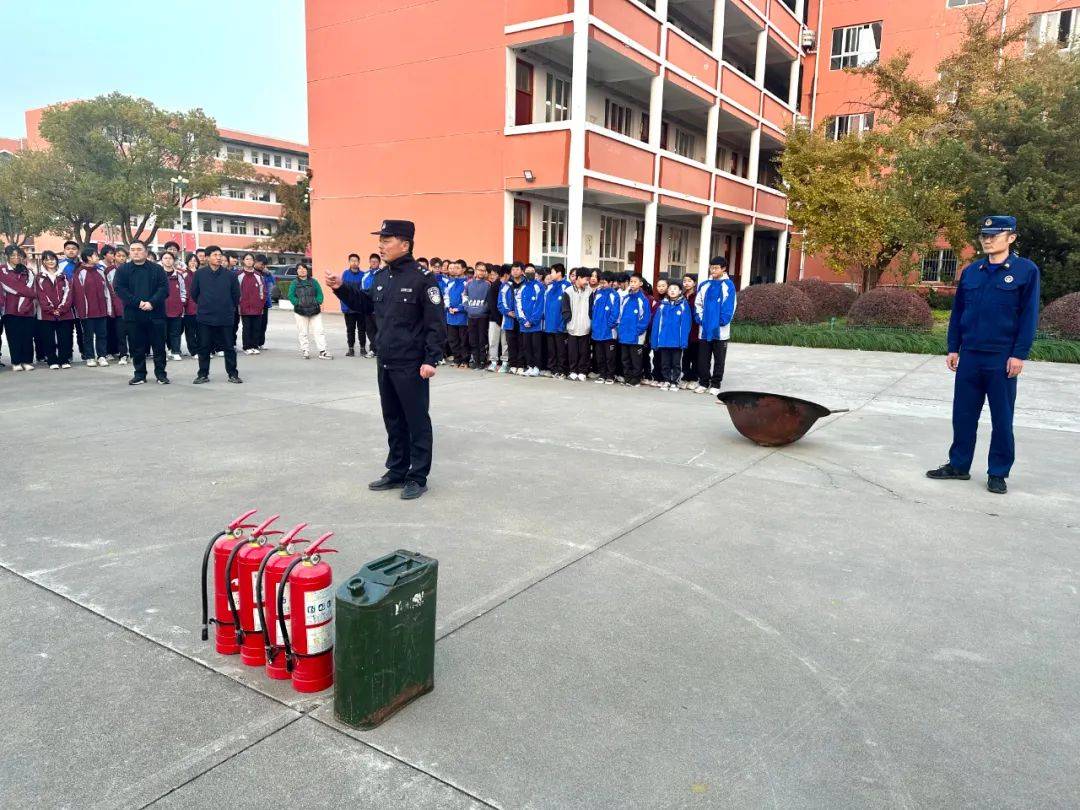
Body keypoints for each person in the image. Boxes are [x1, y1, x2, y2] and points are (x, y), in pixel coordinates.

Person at [325, 219, 445, 500]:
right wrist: (341, 287)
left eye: (387, 239)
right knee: (392, 418)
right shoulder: (381, 277)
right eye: (381, 239)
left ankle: (417, 476)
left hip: (412, 363)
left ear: (405, 244)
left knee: (416, 420)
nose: (381, 244)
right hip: (386, 360)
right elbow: (366, 304)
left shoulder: (422, 278)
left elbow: (436, 323)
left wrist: (432, 359)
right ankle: (397, 470)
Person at [926, 215, 1040, 495]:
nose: (988, 240)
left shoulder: (1025, 271)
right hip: (971, 357)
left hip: (1001, 358)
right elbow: (959, 313)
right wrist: (953, 347)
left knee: (1002, 418)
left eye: (995, 235)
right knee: (963, 415)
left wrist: (1019, 354)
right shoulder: (972, 271)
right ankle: (959, 465)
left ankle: (998, 472)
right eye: (984, 236)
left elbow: (1029, 316)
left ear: (1011, 237)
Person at [113, 240, 169, 385]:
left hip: (155, 313)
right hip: (133, 314)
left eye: (139, 249)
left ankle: (161, 374)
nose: (136, 252)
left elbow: (164, 289)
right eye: (133, 250)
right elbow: (120, 290)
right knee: (136, 347)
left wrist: (152, 302)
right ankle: (139, 374)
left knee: (158, 346)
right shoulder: (123, 270)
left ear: (146, 251)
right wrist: (138, 303)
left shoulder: (157, 269)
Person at [189, 245, 242, 384]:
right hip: (205, 317)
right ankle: (203, 374)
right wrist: (205, 304)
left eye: (220, 255)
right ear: (207, 258)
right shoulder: (200, 274)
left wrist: (229, 307)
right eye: (215, 255)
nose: (218, 258)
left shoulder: (230, 275)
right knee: (204, 346)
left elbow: (236, 295)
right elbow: (194, 294)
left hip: (225, 316)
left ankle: (233, 374)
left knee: (229, 347)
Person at [694, 257, 737, 395]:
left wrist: (721, 322)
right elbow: (698, 303)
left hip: (721, 331)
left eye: (716, 268)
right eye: (711, 267)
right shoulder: (704, 285)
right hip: (705, 329)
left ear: (723, 269)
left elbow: (730, 306)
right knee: (703, 358)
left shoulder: (728, 285)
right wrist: (700, 319)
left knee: (719, 359)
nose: (713, 270)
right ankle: (703, 382)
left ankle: (716, 383)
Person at [71, 246, 112, 366]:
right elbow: (78, 294)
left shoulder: (100, 271)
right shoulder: (79, 273)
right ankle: (89, 357)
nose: (97, 257)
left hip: (101, 310)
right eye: (95, 255)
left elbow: (107, 291)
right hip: (87, 312)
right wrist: (82, 311)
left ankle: (102, 356)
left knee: (102, 334)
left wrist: (108, 308)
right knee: (88, 335)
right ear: (88, 257)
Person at [34, 250, 74, 369]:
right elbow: (41, 295)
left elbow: (68, 293)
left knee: (65, 337)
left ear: (56, 260)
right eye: (47, 259)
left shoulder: (64, 275)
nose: (50, 261)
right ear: (43, 262)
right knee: (48, 338)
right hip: (46, 314)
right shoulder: (39, 277)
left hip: (64, 313)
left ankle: (64, 359)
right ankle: (52, 360)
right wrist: (51, 309)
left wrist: (61, 308)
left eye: (52, 259)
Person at [651, 281, 692, 391]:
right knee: (665, 363)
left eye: (675, 289)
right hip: (664, 341)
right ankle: (666, 380)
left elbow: (686, 325)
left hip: (677, 342)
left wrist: (683, 341)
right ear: (667, 292)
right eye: (670, 289)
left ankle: (674, 381)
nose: (672, 291)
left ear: (680, 291)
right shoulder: (662, 306)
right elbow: (656, 324)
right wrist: (654, 341)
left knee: (676, 363)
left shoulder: (684, 305)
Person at [1, 246, 37, 371]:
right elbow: (8, 287)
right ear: (7, 256)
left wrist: (28, 296)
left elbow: (33, 290)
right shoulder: (2, 270)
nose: (16, 258)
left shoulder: (28, 271)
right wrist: (28, 293)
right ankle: (16, 362)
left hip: (27, 308)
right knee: (13, 336)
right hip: (10, 309)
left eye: (18, 255)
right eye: (13, 255)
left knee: (27, 336)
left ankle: (27, 361)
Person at [288, 264, 332, 360]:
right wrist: (297, 302)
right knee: (303, 332)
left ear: (307, 271)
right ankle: (305, 350)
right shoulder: (294, 283)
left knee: (319, 331)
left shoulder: (314, 282)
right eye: (299, 269)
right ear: (297, 271)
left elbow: (319, 293)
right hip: (300, 311)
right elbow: (291, 295)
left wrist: (318, 301)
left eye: (304, 268)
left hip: (315, 310)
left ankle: (322, 351)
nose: (302, 270)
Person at [617, 273, 652, 387]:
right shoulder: (626, 298)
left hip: (636, 336)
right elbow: (620, 315)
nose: (632, 284)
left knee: (636, 359)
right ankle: (627, 378)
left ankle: (636, 379)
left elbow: (645, 318)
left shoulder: (643, 300)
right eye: (631, 282)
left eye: (635, 282)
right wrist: (620, 329)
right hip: (624, 334)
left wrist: (638, 330)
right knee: (625, 358)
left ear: (640, 283)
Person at [561, 267, 593, 381]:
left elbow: (591, 309)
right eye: (586, 279)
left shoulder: (589, 291)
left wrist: (590, 321)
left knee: (584, 351)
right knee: (572, 351)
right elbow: (565, 309)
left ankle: (582, 372)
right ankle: (573, 371)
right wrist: (568, 319)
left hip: (585, 327)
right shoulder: (568, 291)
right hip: (572, 327)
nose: (587, 282)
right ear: (578, 278)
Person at [591, 271, 620, 384]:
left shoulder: (614, 295)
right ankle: (602, 375)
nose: (602, 285)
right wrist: (595, 325)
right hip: (597, 331)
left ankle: (610, 376)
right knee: (600, 355)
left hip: (609, 332)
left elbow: (615, 312)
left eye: (604, 283)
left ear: (611, 283)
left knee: (610, 356)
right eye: (601, 282)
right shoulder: (597, 293)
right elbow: (593, 311)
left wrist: (610, 325)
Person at [542, 264, 570, 378]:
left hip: (560, 325)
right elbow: (545, 305)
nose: (550, 274)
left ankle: (562, 370)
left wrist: (564, 323)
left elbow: (568, 307)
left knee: (561, 350)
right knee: (551, 350)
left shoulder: (567, 286)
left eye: (552, 272)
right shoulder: (549, 287)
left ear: (559, 273)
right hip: (549, 324)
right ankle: (552, 369)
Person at [517, 264, 544, 376]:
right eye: (527, 271)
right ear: (524, 273)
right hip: (524, 325)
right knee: (527, 347)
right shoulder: (522, 287)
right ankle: (530, 366)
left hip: (535, 325)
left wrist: (532, 321)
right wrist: (523, 320)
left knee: (536, 347)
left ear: (535, 273)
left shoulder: (539, 286)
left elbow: (540, 305)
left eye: (532, 271)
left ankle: (537, 367)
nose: (530, 273)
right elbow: (517, 304)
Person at [464, 261, 490, 369]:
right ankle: (475, 360)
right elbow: (464, 297)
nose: (481, 272)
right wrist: (468, 309)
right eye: (479, 270)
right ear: (475, 271)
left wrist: (482, 310)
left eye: (483, 270)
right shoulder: (469, 284)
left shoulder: (488, 284)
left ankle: (482, 361)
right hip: (471, 316)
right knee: (473, 340)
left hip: (482, 317)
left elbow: (489, 301)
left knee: (482, 340)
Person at [238, 253, 266, 355]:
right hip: (244, 307)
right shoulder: (239, 275)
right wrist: (239, 303)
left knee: (256, 327)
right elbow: (236, 291)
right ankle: (247, 347)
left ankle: (254, 346)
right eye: (247, 259)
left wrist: (261, 303)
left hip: (257, 307)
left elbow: (263, 291)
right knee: (247, 328)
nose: (249, 261)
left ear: (254, 261)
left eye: (251, 259)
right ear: (243, 261)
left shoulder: (258, 276)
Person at [502, 262, 526, 374]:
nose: (515, 271)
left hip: (523, 320)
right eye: (513, 269)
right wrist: (508, 312)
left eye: (517, 269)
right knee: (511, 343)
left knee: (522, 343)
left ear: (522, 271)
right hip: (509, 320)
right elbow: (500, 303)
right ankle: (513, 365)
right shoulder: (506, 285)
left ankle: (521, 365)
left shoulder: (526, 284)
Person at [162, 251, 188, 361]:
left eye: (170, 258)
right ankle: (164, 352)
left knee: (175, 332)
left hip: (176, 308)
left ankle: (175, 351)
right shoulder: (158, 274)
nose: (168, 260)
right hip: (161, 309)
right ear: (162, 260)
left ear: (174, 260)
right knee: (162, 332)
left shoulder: (179, 275)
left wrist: (181, 303)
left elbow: (183, 291)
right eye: (165, 258)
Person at [444, 259, 469, 366]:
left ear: (463, 269)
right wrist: (448, 307)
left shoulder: (467, 283)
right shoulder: (450, 282)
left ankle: (465, 360)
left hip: (462, 317)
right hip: (450, 316)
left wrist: (458, 309)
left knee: (463, 340)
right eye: (453, 268)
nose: (454, 270)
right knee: (452, 340)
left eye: (457, 268)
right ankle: (457, 359)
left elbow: (467, 299)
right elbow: (446, 296)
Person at [645, 277, 668, 386]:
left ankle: (664, 378)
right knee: (656, 355)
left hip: (666, 333)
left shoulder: (670, 301)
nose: (661, 288)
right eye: (659, 286)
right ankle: (657, 376)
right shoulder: (655, 300)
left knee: (665, 357)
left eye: (663, 285)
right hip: (655, 332)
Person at [341, 253, 365, 356]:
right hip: (348, 308)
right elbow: (342, 290)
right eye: (352, 260)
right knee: (350, 329)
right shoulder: (345, 274)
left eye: (356, 261)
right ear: (349, 262)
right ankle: (350, 349)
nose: (354, 262)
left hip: (360, 308)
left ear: (359, 262)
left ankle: (363, 349)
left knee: (362, 329)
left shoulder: (363, 275)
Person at [485, 264, 508, 372]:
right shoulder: (494, 286)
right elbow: (491, 304)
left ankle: (504, 363)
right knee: (493, 341)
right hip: (495, 319)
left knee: (505, 342)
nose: (492, 276)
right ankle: (493, 362)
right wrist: (498, 319)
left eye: (494, 274)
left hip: (506, 319)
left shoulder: (507, 285)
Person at [679, 275, 699, 389]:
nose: (686, 283)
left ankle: (694, 378)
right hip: (685, 331)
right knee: (685, 356)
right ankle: (686, 376)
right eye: (684, 281)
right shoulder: (682, 297)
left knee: (695, 356)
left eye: (689, 281)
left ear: (694, 283)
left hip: (695, 330)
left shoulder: (697, 296)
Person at [359, 253, 380, 358]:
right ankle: (373, 350)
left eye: (376, 262)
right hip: (368, 308)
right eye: (372, 261)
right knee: (370, 330)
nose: (374, 263)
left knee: (380, 329)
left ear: (379, 263)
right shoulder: (365, 275)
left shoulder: (383, 274)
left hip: (379, 308)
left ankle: (380, 350)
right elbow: (362, 290)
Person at [255, 254, 274, 351]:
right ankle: (253, 343)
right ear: (256, 262)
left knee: (263, 324)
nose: (263, 266)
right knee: (255, 324)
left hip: (265, 303)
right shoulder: (252, 272)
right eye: (261, 264)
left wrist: (269, 274)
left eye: (264, 265)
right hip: (255, 303)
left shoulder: (265, 274)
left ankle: (261, 343)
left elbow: (272, 284)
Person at [182, 253, 200, 356]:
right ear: (187, 262)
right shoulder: (184, 274)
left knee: (201, 331)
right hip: (189, 308)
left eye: (195, 260)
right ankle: (193, 351)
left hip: (201, 307)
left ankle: (202, 350)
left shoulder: (201, 273)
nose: (193, 262)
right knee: (190, 331)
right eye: (191, 261)